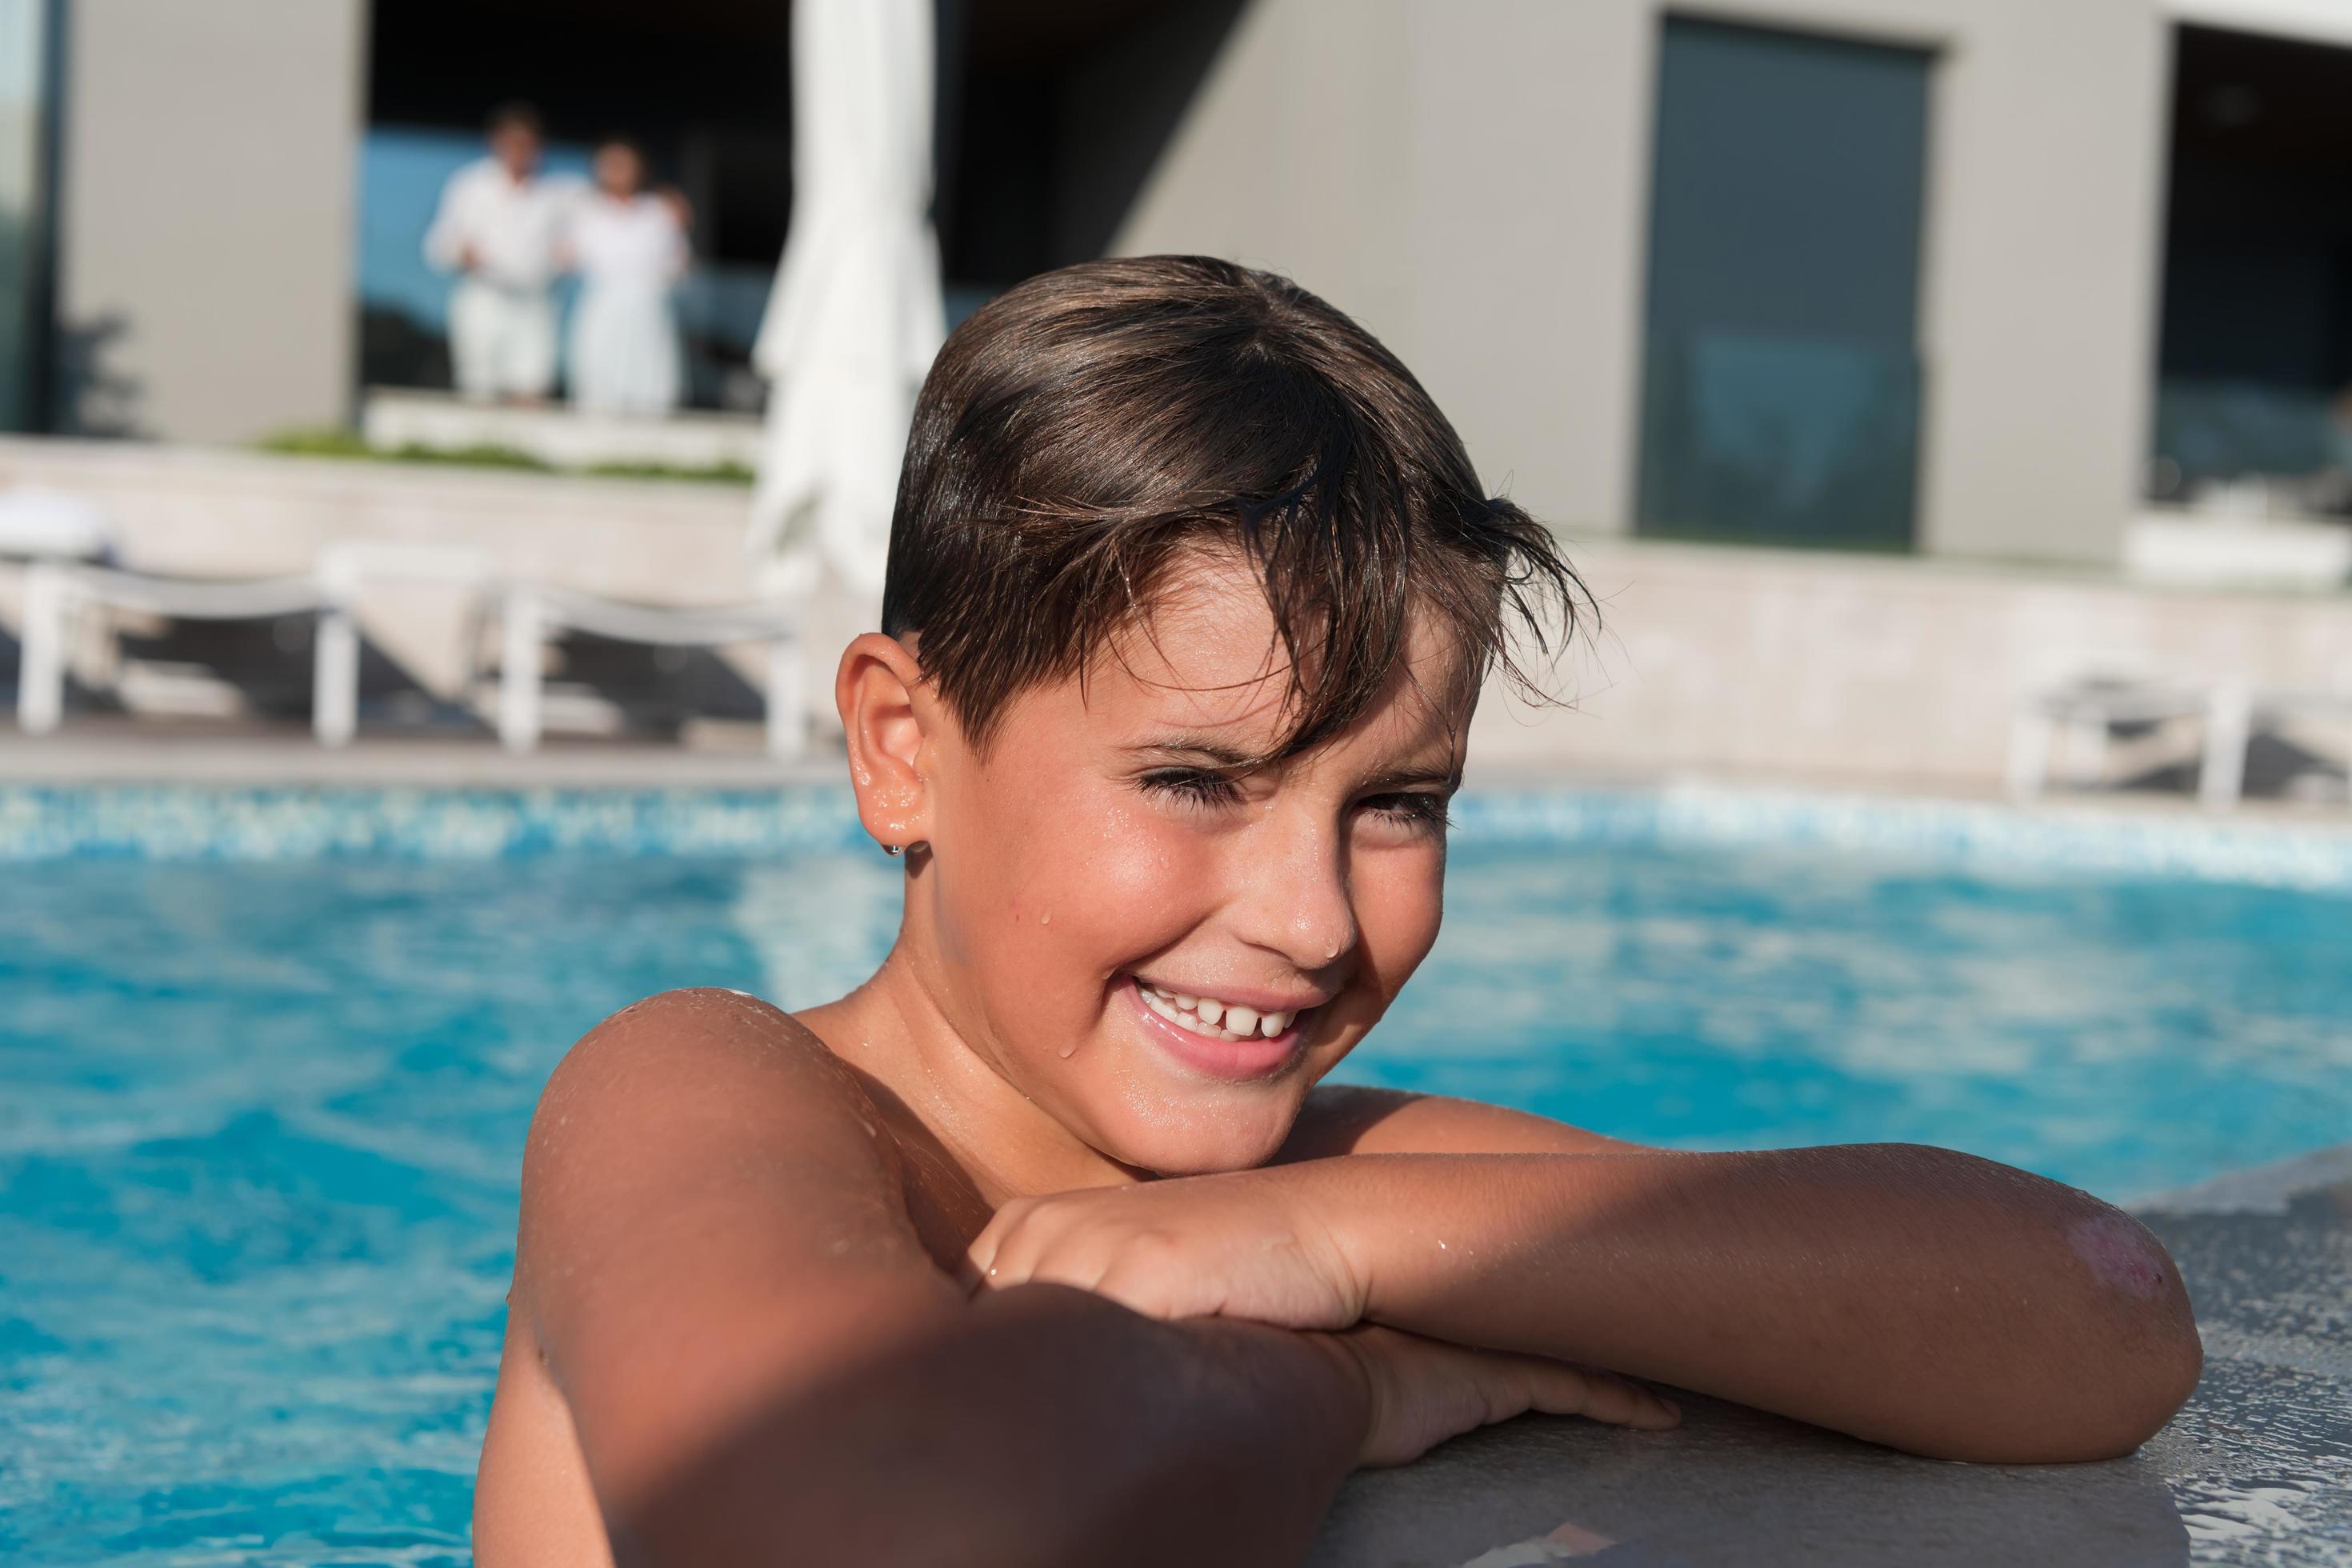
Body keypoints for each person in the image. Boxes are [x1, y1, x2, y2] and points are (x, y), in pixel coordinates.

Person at [471, 258, 2202, 1566]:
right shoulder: (691, 1088)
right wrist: (1337, 1381)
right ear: (902, 748)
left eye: (1398, 801)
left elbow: (2099, 1313)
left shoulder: (1313, 1187)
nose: (1310, 918)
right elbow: (872, 1509)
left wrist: (1345, 1247)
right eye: (1196, 777)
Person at [423, 103, 575, 404]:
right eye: (512, 143)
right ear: (495, 142)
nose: (519, 150)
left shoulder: (558, 193)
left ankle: (522, 450)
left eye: (527, 144)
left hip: (535, 301)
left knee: (532, 384)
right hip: (483, 297)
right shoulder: (470, 184)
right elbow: (438, 245)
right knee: (479, 385)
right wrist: (460, 253)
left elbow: (610, 211)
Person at [563, 138, 687, 418]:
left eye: (625, 165)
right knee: (598, 382)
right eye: (611, 165)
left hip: (647, 308)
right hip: (603, 307)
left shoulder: (658, 211)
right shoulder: (585, 210)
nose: (618, 172)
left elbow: (678, 264)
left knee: (648, 379)